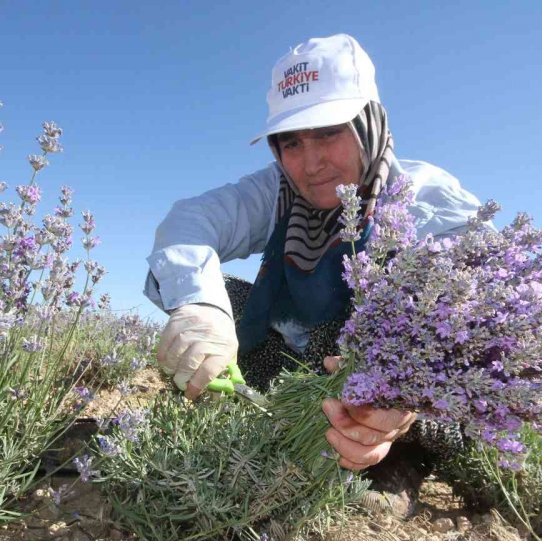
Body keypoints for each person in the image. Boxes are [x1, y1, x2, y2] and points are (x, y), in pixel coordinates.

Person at [145, 34, 485, 480]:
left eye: (328, 134)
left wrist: (402, 391)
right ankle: (267, 420)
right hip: (305, 362)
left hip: (388, 381)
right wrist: (201, 310)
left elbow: (479, 313)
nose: (310, 164)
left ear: (369, 125)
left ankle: (397, 461)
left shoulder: (427, 202)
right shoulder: (277, 189)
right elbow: (190, 222)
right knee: (209, 293)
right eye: (292, 143)